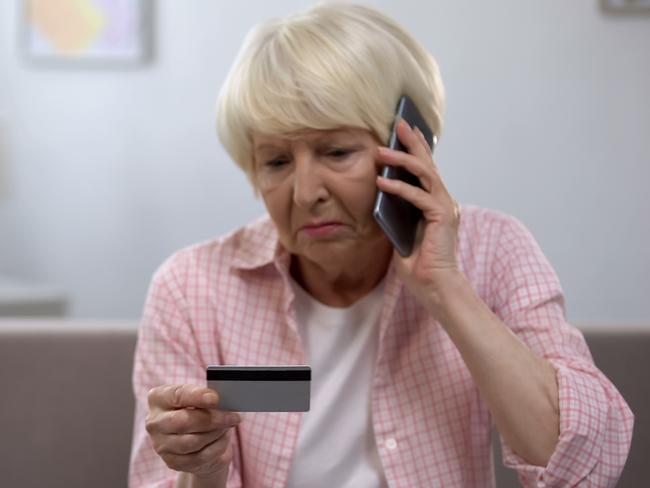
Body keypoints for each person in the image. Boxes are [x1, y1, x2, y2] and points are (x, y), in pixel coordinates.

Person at [128, 3, 633, 487]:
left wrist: (447, 289)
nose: (305, 194)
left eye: (337, 151)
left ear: (408, 148)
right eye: (277, 162)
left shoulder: (493, 250)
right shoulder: (191, 286)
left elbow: (586, 469)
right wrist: (203, 470)